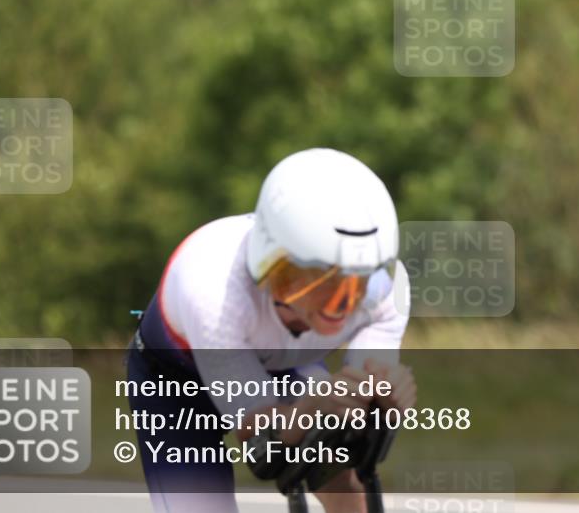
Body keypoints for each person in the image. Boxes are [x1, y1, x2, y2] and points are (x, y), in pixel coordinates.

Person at [125, 148, 416, 513]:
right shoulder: (215, 296)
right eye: (317, 281)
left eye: (355, 283)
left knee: (345, 484)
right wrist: (316, 405)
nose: (338, 306)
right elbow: (261, 444)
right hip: (176, 378)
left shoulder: (386, 291)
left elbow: (358, 419)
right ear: (272, 266)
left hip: (281, 360)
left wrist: (386, 401)